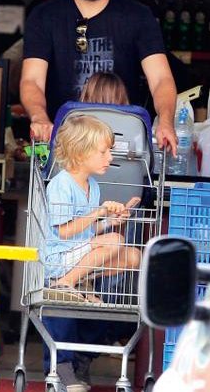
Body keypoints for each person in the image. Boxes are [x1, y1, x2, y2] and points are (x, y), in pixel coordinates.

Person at [20, 0, 177, 155]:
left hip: (120, 147)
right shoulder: (44, 16)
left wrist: (165, 121)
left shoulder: (138, 16)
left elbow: (161, 79)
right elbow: (32, 80)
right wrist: (39, 118)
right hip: (62, 146)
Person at [43, 114, 141, 392]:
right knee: (115, 242)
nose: (109, 157)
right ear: (79, 152)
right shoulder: (61, 184)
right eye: (103, 151)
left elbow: (88, 231)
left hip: (78, 253)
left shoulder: (93, 186)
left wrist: (111, 220)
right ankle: (65, 284)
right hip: (59, 257)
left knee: (133, 256)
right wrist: (100, 215)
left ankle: (80, 282)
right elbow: (63, 231)